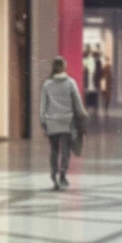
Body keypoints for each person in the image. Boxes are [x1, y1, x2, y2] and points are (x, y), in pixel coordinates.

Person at [40, 56, 87, 190]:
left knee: (54, 150)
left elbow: (43, 106)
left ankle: (54, 175)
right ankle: (63, 174)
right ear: (64, 67)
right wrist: (83, 116)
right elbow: (78, 103)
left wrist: (43, 121)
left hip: (52, 122)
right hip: (67, 122)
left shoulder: (47, 84)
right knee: (66, 151)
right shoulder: (70, 83)